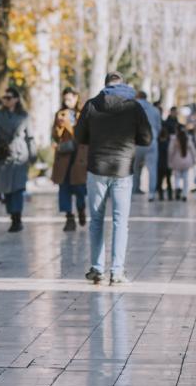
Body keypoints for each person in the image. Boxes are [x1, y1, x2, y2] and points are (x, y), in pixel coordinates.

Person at [74, 72, 152, 285]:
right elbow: (147, 138)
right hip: (123, 169)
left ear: (105, 85)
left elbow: (79, 136)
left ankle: (97, 268)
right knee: (120, 222)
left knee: (96, 220)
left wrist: (96, 139)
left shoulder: (92, 104)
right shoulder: (134, 106)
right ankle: (117, 271)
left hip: (97, 167)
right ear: (123, 84)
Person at [0, 88, 36, 232]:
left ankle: (17, 218)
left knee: (17, 188)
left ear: (16, 99)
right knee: (6, 188)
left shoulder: (24, 116)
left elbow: (30, 137)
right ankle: (12, 215)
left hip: (20, 154)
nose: (6, 100)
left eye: (9, 97)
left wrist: (33, 154)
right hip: (4, 154)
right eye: (4, 97)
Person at [51, 87, 88, 232]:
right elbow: (55, 136)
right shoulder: (59, 114)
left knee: (79, 189)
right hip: (64, 156)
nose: (67, 102)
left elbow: (85, 135)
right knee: (64, 188)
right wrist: (59, 127)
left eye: (70, 99)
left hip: (79, 156)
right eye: (65, 99)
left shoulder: (83, 115)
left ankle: (81, 209)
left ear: (76, 98)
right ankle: (69, 218)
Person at [132, 91, 162, 201]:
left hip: (136, 142)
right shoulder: (155, 110)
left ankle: (134, 189)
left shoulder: (132, 108)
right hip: (151, 141)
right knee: (152, 168)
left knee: (134, 167)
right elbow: (159, 127)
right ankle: (152, 193)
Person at [168, 126, 196, 202]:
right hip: (186, 161)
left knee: (176, 177)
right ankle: (184, 194)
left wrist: (169, 161)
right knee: (185, 178)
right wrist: (194, 160)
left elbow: (170, 151)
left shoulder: (174, 139)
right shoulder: (188, 139)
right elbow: (193, 150)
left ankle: (177, 188)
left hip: (176, 161)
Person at [156, 127, 173, 200]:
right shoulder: (168, 144)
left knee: (160, 182)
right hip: (167, 165)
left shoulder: (158, 144)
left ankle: (161, 196)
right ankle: (170, 196)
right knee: (169, 181)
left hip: (160, 165)